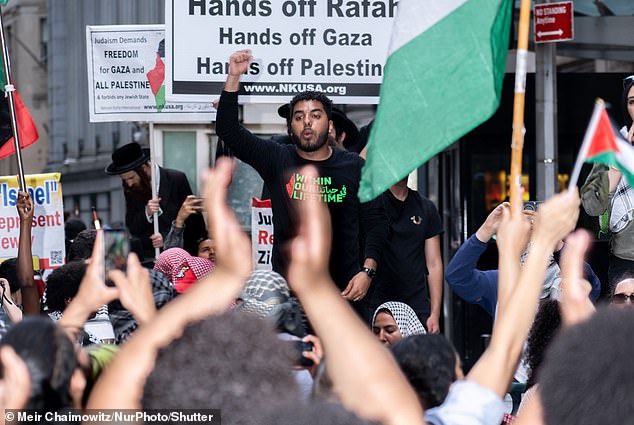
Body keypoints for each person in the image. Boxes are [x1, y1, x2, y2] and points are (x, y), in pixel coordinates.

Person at [216, 49, 387, 304]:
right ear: (291, 127)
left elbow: (377, 223)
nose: (307, 122)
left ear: (329, 125)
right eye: (299, 117)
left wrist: (368, 272)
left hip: (345, 296)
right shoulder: (277, 159)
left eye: (315, 116)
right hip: (291, 299)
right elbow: (228, 131)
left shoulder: (354, 166)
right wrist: (233, 78)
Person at [445, 201, 601, 318]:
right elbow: (457, 276)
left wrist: (556, 243)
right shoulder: (501, 281)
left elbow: (590, 283)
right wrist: (486, 230)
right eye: (525, 235)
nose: (531, 244)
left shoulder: (568, 279)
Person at [363, 176, 443, 331]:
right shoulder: (371, 204)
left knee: (417, 355)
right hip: (375, 302)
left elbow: (434, 264)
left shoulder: (426, 208)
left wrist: (435, 314)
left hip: (416, 305)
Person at [105, 142, 207, 262]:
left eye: (131, 178)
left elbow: (194, 223)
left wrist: (166, 237)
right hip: (150, 259)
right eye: (125, 180)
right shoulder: (131, 188)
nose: (129, 183)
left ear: (144, 168)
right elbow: (132, 226)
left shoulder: (176, 179)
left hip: (181, 258)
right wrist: (146, 213)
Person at [581, 75, 634, 284]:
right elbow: (591, 207)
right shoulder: (612, 147)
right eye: (632, 102)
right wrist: (615, 171)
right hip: (624, 259)